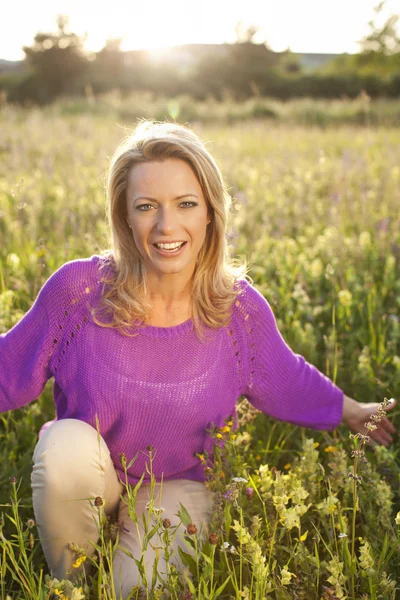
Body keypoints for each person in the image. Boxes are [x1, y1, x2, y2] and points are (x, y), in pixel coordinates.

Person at [0, 120, 396, 598]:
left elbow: (284, 376)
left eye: (185, 204)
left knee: (135, 592)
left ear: (210, 212)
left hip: (178, 486)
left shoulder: (237, 310)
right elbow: (10, 368)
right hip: (93, 472)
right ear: (125, 216)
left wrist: (352, 411)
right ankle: (70, 584)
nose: (167, 227)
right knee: (63, 446)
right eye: (147, 207)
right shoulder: (79, 293)